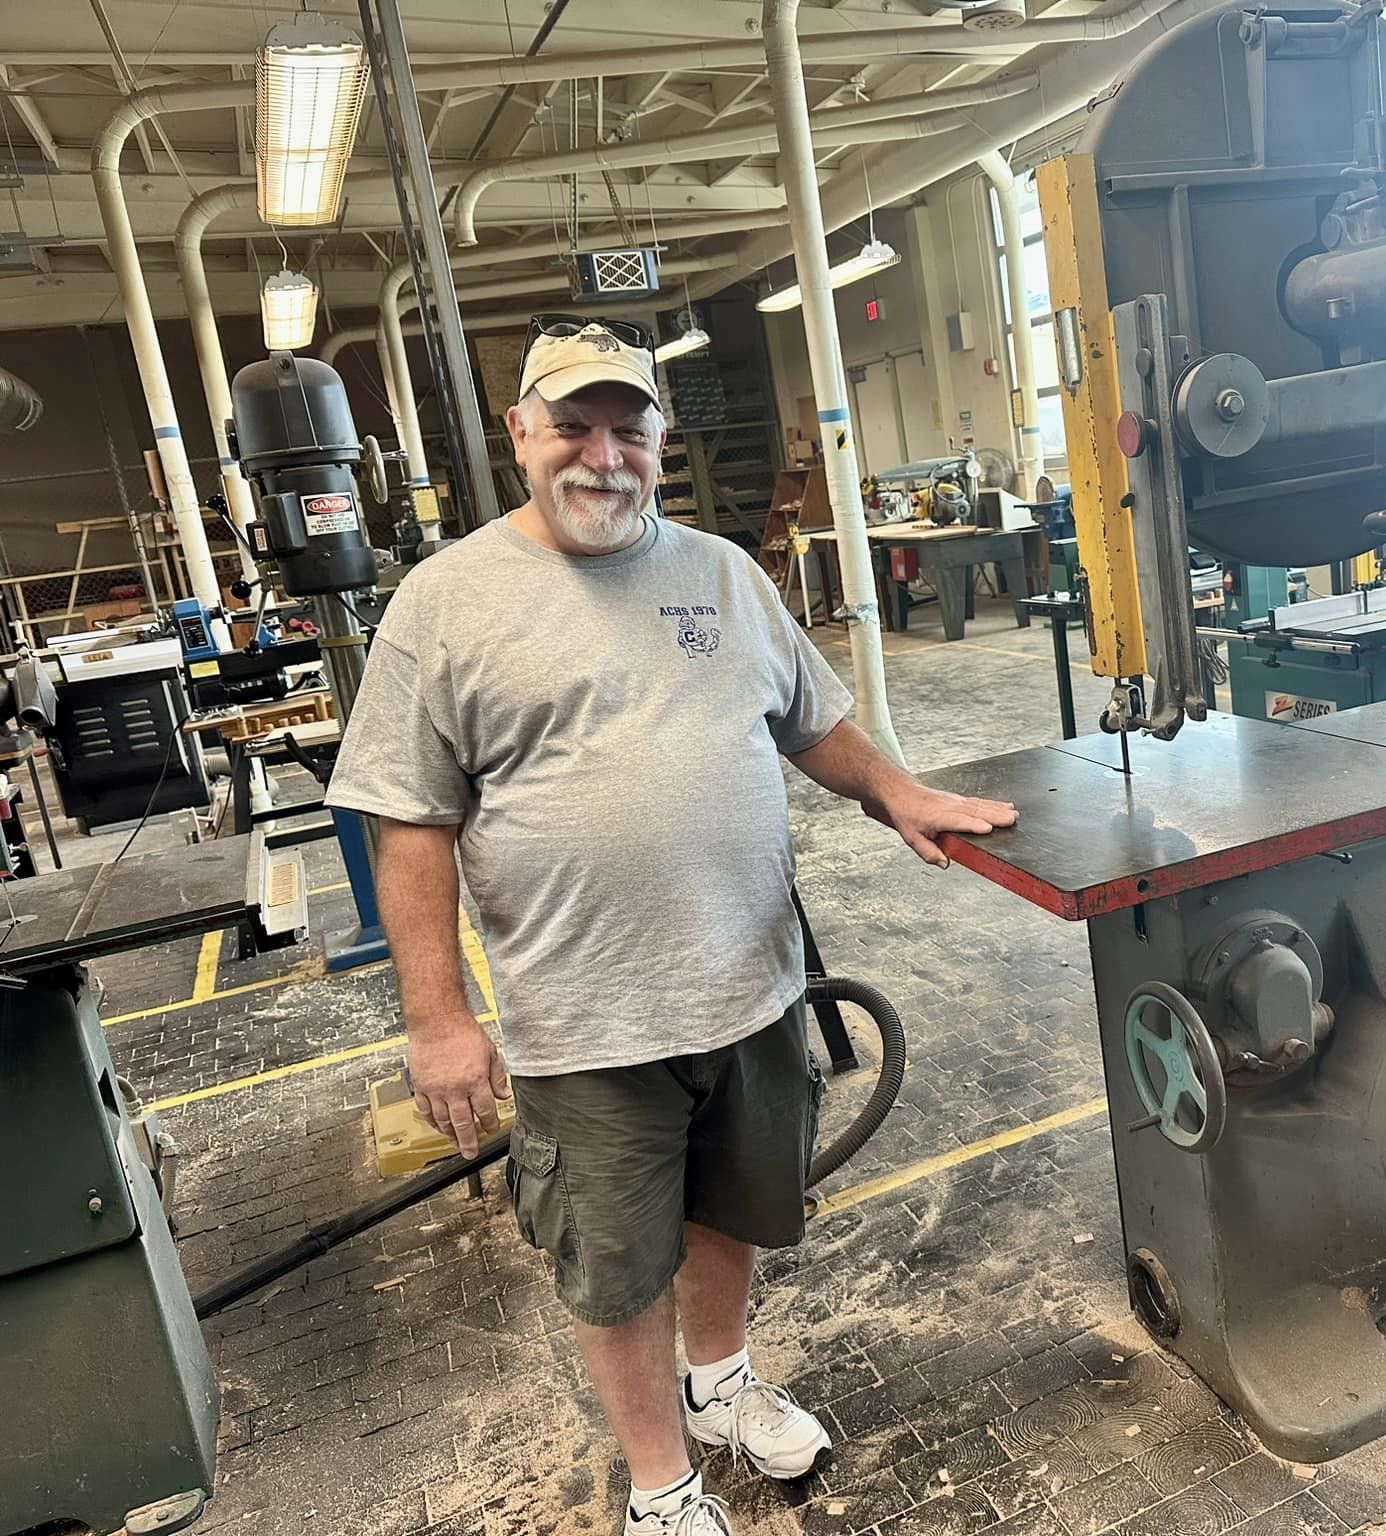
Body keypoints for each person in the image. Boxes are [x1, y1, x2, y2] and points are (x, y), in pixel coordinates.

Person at [325, 314, 1018, 1536]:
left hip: (748, 989)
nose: (603, 457)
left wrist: (894, 788)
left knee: (730, 1209)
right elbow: (409, 825)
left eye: (628, 432)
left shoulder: (721, 575)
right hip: (585, 1023)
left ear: (657, 443)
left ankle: (721, 1384)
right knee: (615, 1265)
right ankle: (660, 1487)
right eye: (574, 428)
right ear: (519, 434)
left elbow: (811, 719)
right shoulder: (446, 602)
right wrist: (437, 1021)